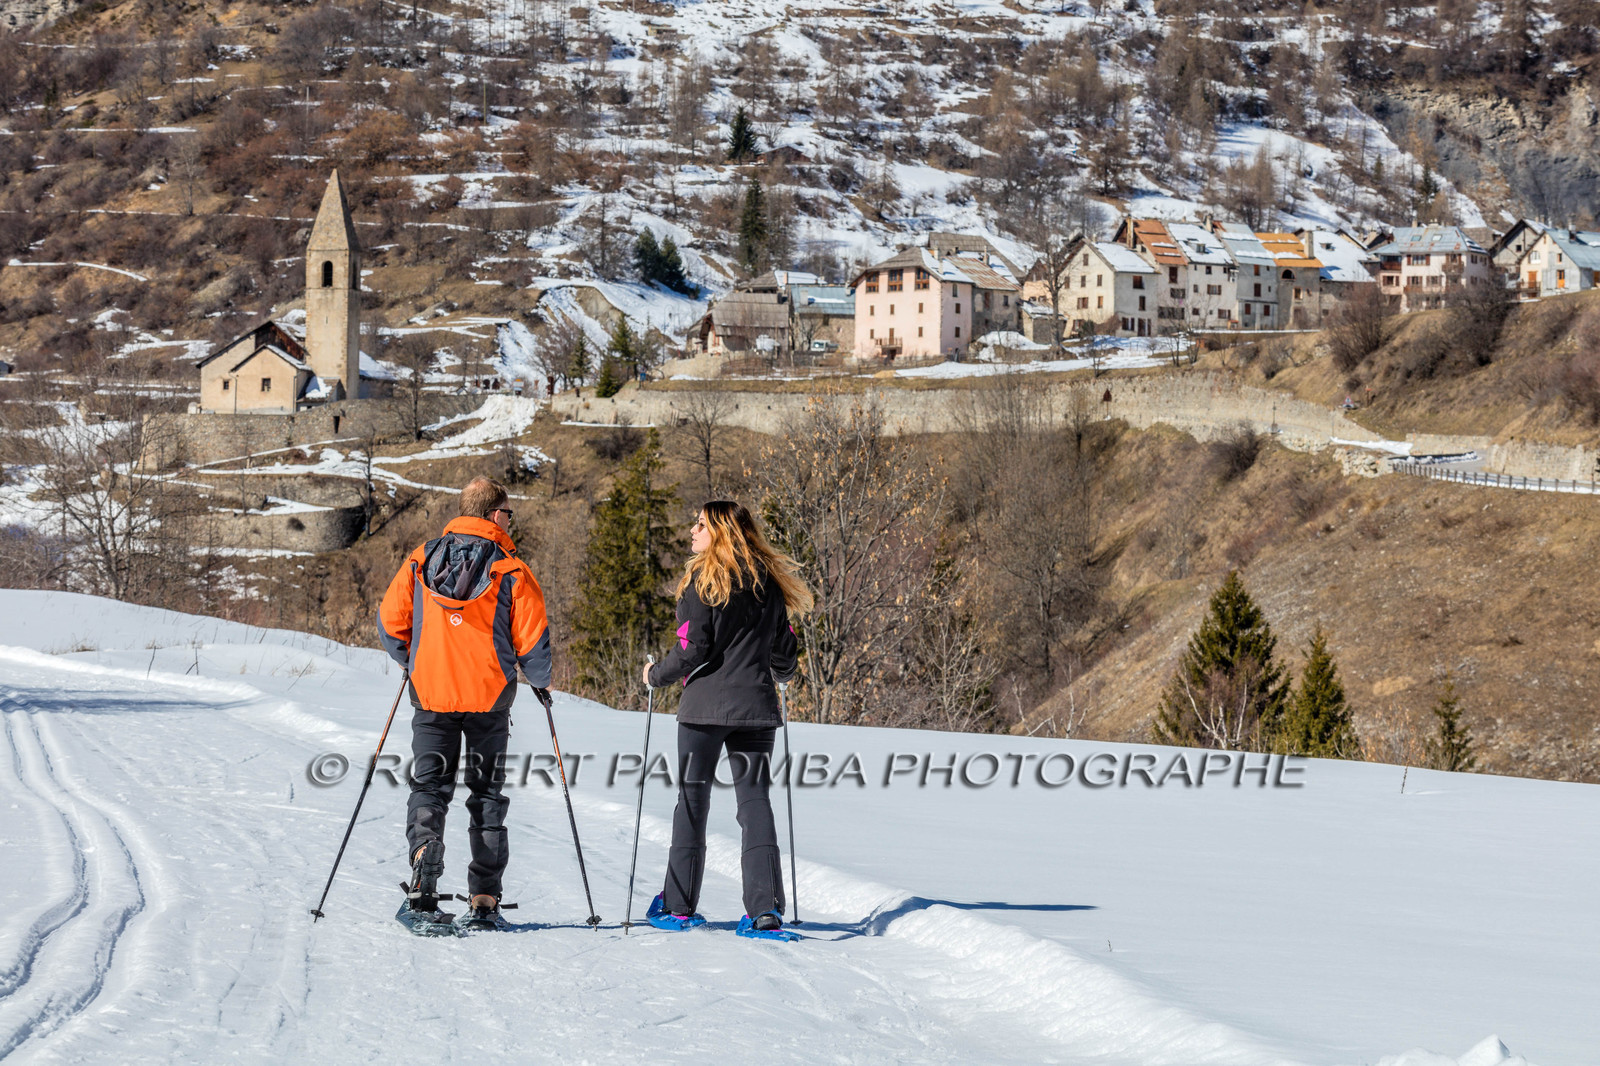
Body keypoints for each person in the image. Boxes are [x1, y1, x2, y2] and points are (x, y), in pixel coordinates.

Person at [378, 476, 551, 926]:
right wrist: (540, 682)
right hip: (489, 698)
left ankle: (424, 861)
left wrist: (415, 661)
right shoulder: (511, 570)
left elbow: (390, 623)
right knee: (487, 792)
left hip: (432, 693)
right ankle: (485, 900)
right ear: (494, 514)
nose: (509, 521)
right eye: (508, 513)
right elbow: (533, 642)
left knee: (430, 786)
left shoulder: (421, 559)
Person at [642, 500, 813, 935]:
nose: (692, 531)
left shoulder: (703, 582)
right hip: (756, 708)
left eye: (700, 524)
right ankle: (764, 910)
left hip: (703, 709)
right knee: (754, 804)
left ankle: (678, 906)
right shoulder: (768, 585)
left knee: (692, 801)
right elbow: (784, 652)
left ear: (719, 532)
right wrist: (782, 673)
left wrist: (654, 675)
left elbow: (691, 649)